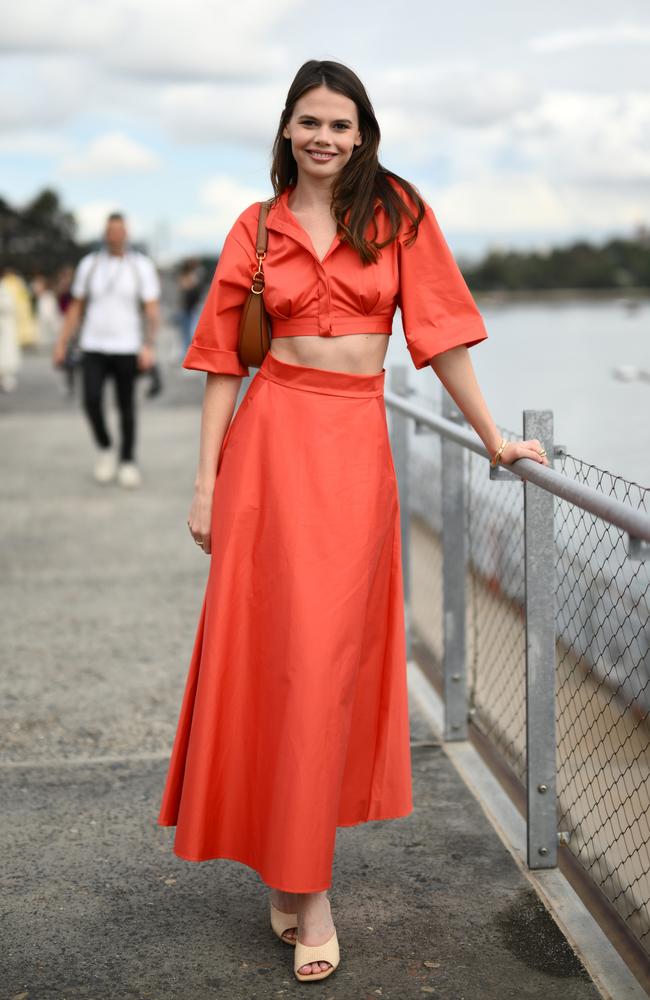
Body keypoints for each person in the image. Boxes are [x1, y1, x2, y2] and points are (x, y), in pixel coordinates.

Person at [156, 59, 550, 984]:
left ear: (364, 132)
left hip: (351, 447)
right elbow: (224, 368)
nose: (326, 138)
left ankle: (299, 871)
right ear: (287, 130)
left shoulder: (398, 213)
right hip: (269, 446)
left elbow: (441, 333)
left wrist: (494, 437)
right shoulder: (253, 229)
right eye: (310, 122)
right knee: (275, 658)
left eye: (342, 124)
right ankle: (307, 885)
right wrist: (206, 484)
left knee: (326, 662)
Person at [52, 213, 161, 488]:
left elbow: (151, 310)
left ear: (126, 233)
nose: (115, 235)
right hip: (93, 346)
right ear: (105, 234)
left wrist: (149, 346)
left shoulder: (141, 266)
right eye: (111, 231)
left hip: (127, 347)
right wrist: (61, 343)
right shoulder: (89, 265)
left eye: (120, 230)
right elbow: (76, 307)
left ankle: (127, 461)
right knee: (90, 400)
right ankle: (105, 448)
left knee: (126, 407)